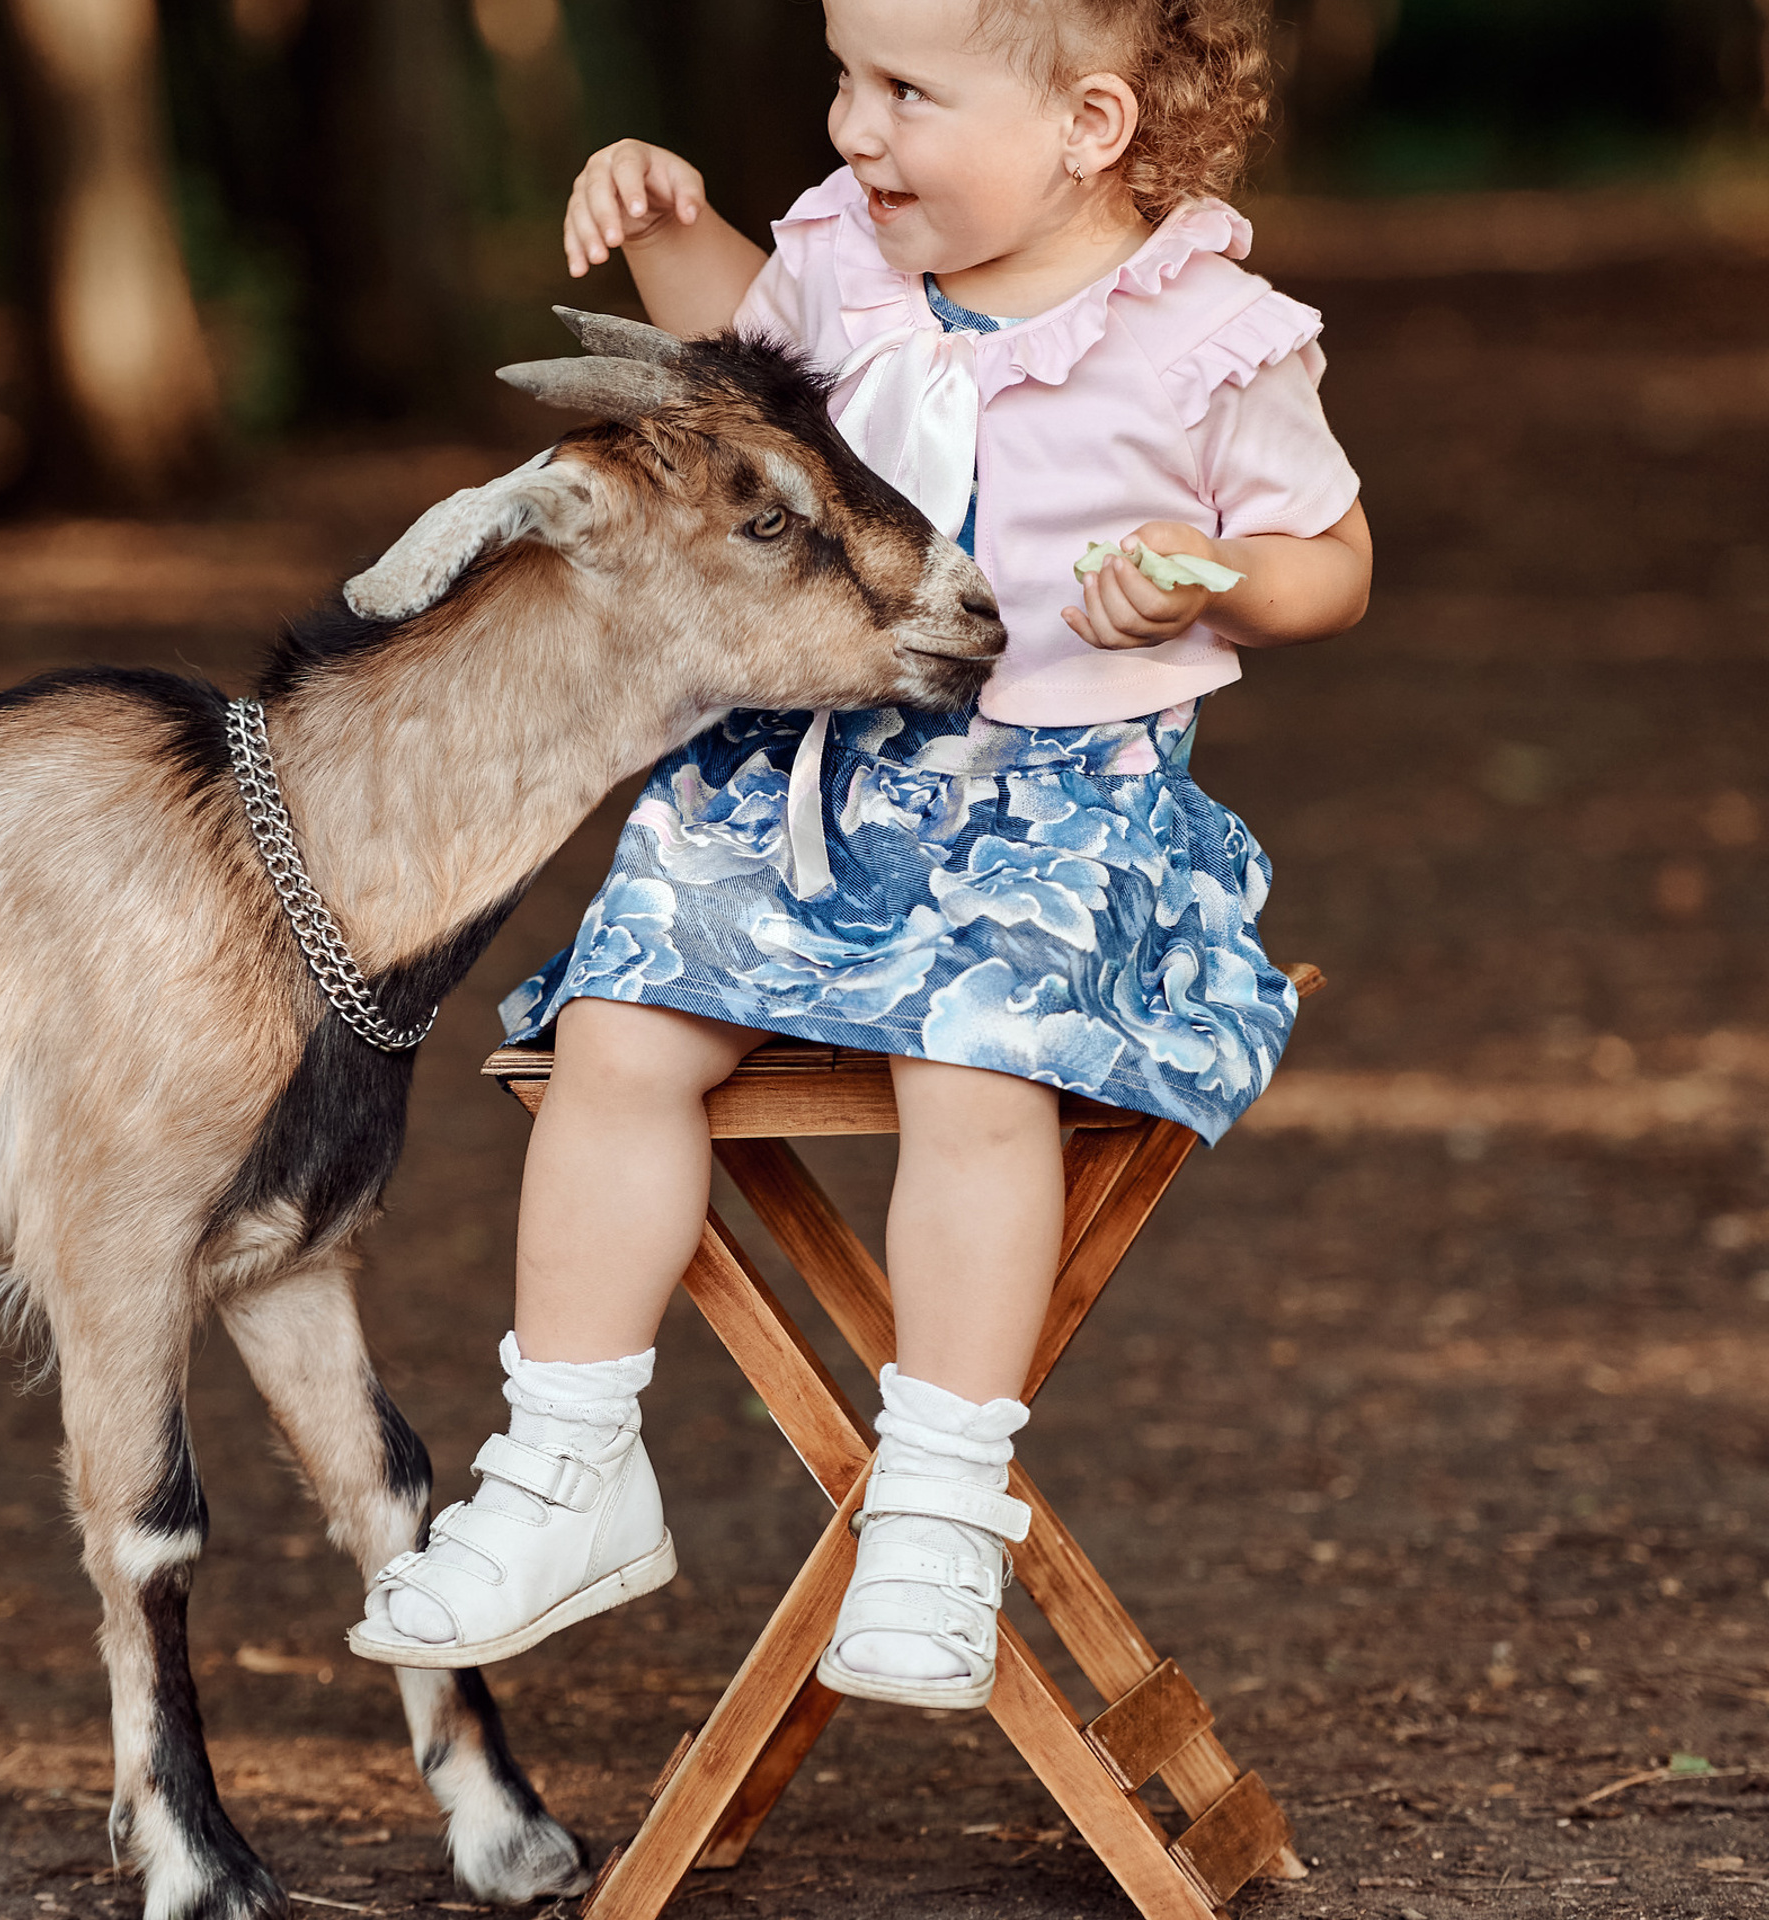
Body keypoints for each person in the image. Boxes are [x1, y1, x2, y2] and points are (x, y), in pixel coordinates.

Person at [346, 0, 1372, 1712]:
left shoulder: (1209, 330)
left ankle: (941, 1501)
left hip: (1059, 806)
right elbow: (730, 359)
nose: (851, 128)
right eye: (843, 78)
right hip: (806, 777)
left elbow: (1330, 559)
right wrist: (672, 225)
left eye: (904, 91)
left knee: (975, 1069)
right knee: (612, 1038)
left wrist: (1216, 573)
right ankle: (568, 1466)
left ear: (1090, 125)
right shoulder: (843, 256)